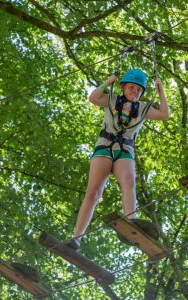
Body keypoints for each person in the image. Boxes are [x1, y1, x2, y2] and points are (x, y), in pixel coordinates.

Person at [68, 68, 170, 250]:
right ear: (123, 87)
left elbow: (164, 114)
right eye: (132, 88)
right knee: (93, 191)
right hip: (105, 146)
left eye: (139, 90)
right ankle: (77, 237)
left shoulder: (143, 109)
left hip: (125, 150)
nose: (135, 92)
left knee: (129, 181)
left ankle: (131, 222)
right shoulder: (112, 100)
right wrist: (108, 82)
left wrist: (160, 90)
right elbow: (93, 98)